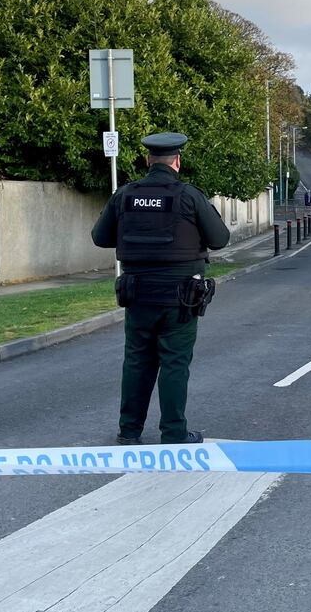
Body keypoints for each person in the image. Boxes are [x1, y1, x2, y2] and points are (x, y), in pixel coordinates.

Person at [91, 132, 230, 445]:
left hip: (137, 294)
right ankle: (173, 432)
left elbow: (100, 237)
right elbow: (220, 239)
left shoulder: (125, 195)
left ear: (147, 160)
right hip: (180, 298)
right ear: (177, 161)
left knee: (137, 360)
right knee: (174, 362)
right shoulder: (188, 196)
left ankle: (129, 431)